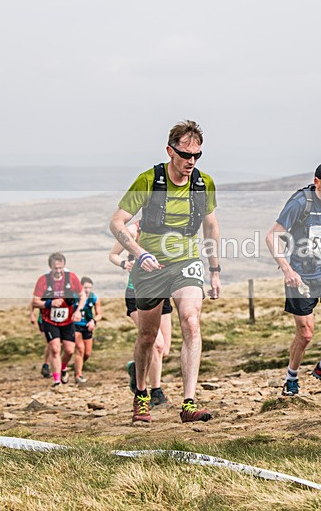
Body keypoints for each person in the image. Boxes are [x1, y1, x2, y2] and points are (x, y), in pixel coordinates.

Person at [109, 119, 221, 424]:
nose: (191, 162)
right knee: (148, 336)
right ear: (170, 151)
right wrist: (138, 252)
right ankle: (142, 394)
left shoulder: (203, 183)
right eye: (185, 155)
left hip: (186, 261)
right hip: (150, 265)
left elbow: (210, 227)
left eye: (197, 155)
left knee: (191, 320)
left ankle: (188, 403)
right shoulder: (149, 180)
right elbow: (116, 223)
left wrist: (214, 270)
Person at [265, 161, 321, 397]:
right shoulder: (299, 203)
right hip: (301, 277)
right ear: (317, 182)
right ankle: (291, 378)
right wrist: (286, 269)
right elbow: (271, 237)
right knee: (306, 334)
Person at [109, 221, 173, 407]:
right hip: (137, 292)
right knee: (157, 344)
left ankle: (137, 367)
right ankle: (155, 393)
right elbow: (113, 254)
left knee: (164, 351)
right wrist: (124, 263)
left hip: (162, 292)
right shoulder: (132, 230)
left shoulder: (172, 227)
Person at [31, 252, 87, 387]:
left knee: (69, 350)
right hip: (49, 320)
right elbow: (35, 301)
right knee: (55, 349)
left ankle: (62, 368)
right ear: (50, 267)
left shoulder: (71, 278)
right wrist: (49, 303)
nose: (58, 271)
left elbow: (82, 295)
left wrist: (78, 310)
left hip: (67, 320)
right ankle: (57, 381)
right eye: (55, 268)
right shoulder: (43, 280)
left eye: (60, 267)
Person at [72, 277, 101, 383]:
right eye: (85, 287)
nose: (87, 290)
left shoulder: (94, 298)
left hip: (87, 325)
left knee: (87, 353)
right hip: (75, 325)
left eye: (89, 288)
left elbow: (99, 314)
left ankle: (77, 367)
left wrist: (93, 321)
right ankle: (78, 375)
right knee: (80, 348)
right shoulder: (74, 297)